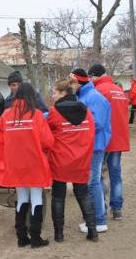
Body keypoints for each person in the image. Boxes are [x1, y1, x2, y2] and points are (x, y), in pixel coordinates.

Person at [0, 82, 54, 248]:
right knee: (36, 197)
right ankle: (35, 237)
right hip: (34, 162)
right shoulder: (36, 116)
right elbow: (48, 141)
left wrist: (10, 146)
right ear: (31, 96)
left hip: (14, 163)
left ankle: (21, 238)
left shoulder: (6, 115)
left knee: (21, 198)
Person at [47, 79, 98, 243]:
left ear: (63, 93)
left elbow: (48, 133)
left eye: (54, 92)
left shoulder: (54, 112)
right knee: (83, 194)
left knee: (58, 196)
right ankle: (92, 231)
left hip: (61, 159)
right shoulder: (86, 110)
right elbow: (91, 134)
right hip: (81, 159)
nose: (52, 96)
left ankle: (59, 235)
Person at [70, 69, 111, 233]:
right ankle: (93, 219)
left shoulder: (93, 97)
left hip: (94, 146)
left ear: (78, 82)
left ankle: (99, 220)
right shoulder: (84, 96)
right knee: (92, 181)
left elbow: (98, 124)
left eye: (71, 82)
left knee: (92, 182)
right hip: (88, 145)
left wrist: (75, 127)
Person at [88, 64, 130, 222]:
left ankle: (101, 208)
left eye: (90, 77)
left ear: (94, 76)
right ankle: (117, 209)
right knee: (115, 175)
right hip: (119, 138)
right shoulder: (118, 90)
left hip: (104, 139)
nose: (90, 80)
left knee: (97, 176)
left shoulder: (98, 91)